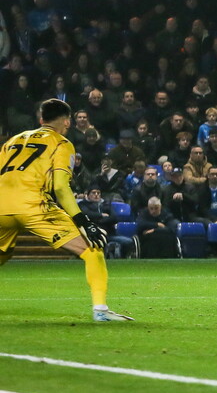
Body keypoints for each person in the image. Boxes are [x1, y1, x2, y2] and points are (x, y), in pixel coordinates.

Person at [0, 99, 132, 321]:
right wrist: (83, 221)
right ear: (68, 122)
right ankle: (101, 311)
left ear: (41, 119)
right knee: (93, 250)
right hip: (34, 205)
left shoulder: (12, 141)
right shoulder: (62, 143)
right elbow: (60, 186)